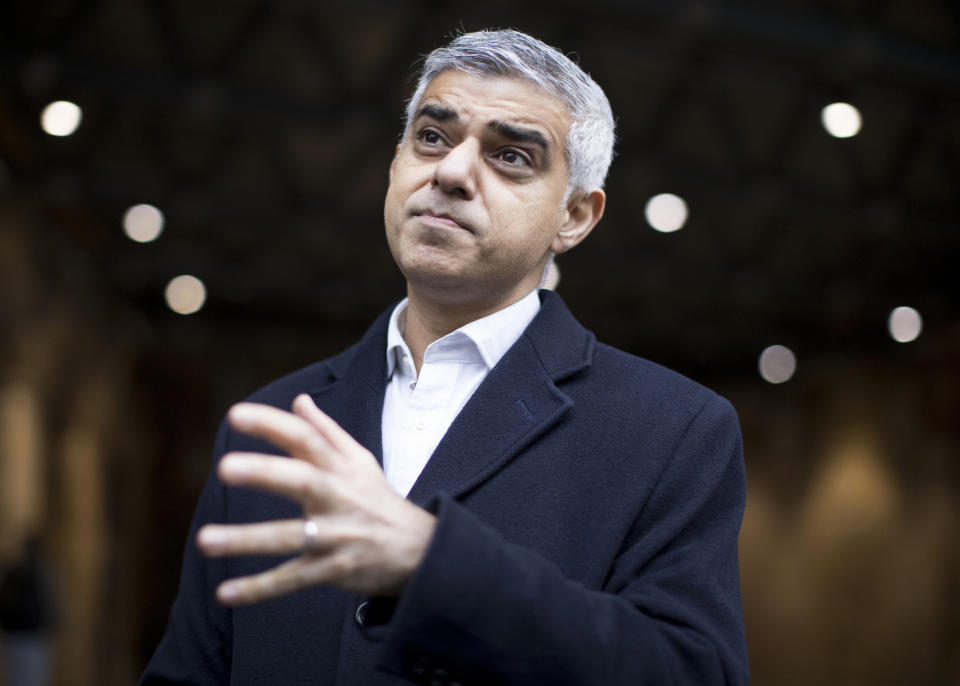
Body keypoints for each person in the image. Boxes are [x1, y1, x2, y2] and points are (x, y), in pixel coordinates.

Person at [142, 29, 748, 686]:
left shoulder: (676, 429)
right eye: (432, 137)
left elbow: (694, 673)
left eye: (511, 155)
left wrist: (434, 567)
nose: (453, 172)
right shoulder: (269, 424)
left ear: (574, 216)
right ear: (395, 163)